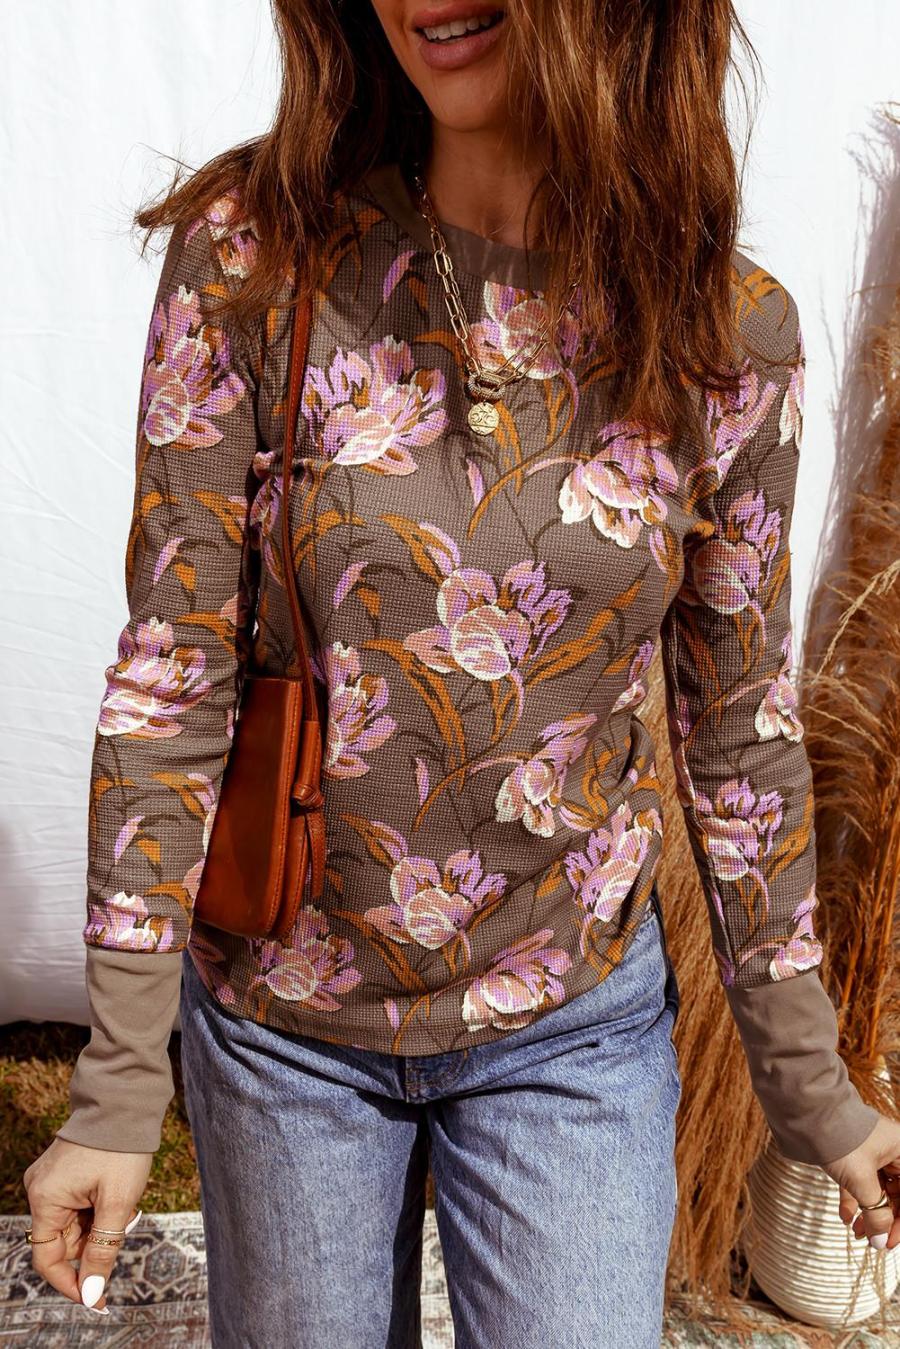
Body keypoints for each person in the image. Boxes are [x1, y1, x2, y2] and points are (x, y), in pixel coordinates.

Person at [22, 1, 900, 1344]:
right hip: (288, 1023)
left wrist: (810, 1088)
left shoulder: (722, 334)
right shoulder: (256, 261)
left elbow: (737, 727)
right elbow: (172, 670)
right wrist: (120, 1084)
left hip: (574, 1023)